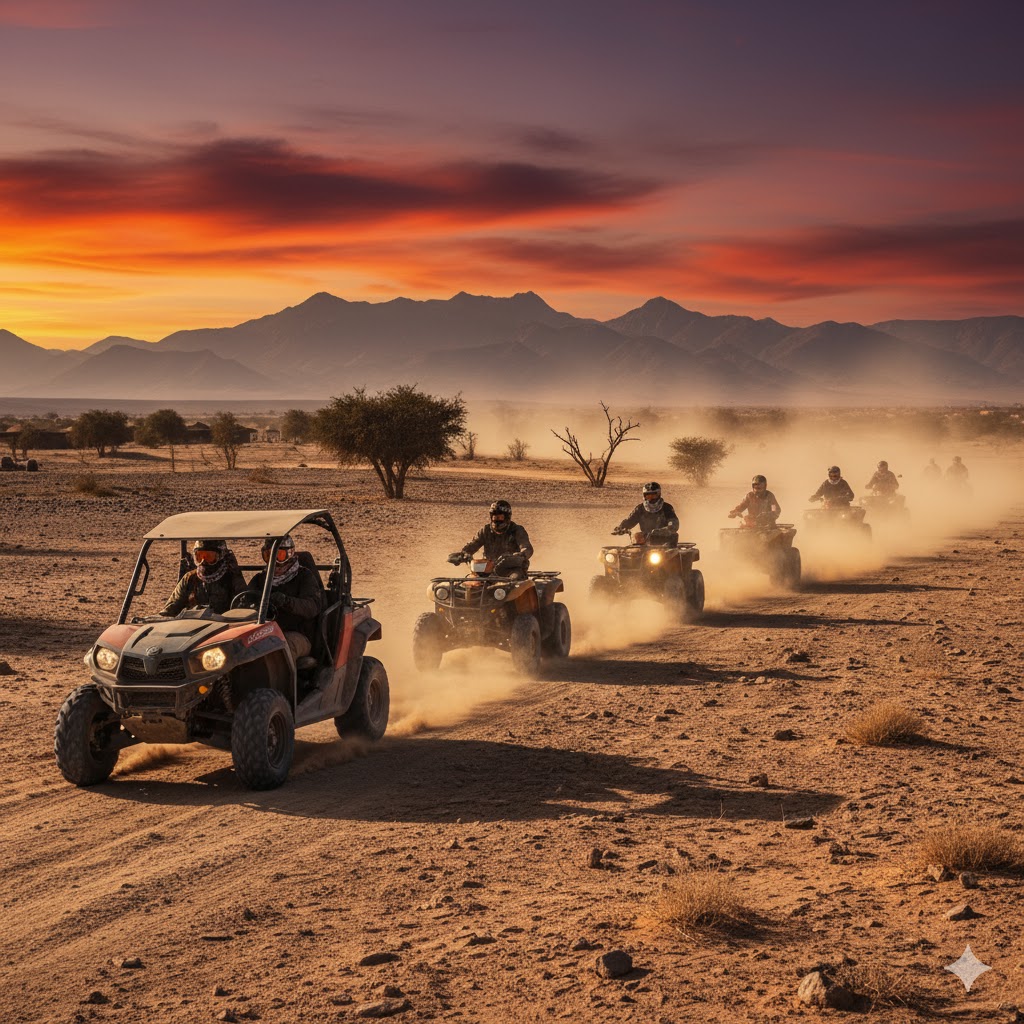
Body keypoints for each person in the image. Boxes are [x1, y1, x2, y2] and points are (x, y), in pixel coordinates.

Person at [243, 535, 322, 661]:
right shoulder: (260, 579)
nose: (274, 561)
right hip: (263, 633)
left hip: (296, 634)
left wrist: (287, 601)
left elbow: (312, 607)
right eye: (269, 556)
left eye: (278, 555)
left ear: (290, 554)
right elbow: (245, 599)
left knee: (280, 650)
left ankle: (285, 681)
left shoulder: (304, 576)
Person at [160, 539, 246, 617]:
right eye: (199, 557)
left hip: (225, 628)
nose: (203, 561)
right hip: (192, 627)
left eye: (209, 557)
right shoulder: (190, 578)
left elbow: (243, 609)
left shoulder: (231, 577)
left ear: (220, 556)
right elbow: (171, 608)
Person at [449, 499, 534, 577]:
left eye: (500, 517)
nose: (496, 520)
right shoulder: (485, 530)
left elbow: (527, 547)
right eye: (494, 517)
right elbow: (474, 544)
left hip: (511, 568)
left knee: (514, 579)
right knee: (471, 581)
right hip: (487, 568)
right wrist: (463, 554)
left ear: (507, 517)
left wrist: (521, 554)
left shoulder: (517, 530)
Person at [612, 482, 680, 545]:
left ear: (659, 494)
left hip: (666, 542)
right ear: (644, 496)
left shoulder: (666, 508)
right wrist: (622, 527)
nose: (650, 499)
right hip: (644, 542)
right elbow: (630, 521)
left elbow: (674, 522)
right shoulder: (640, 508)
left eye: (653, 496)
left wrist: (667, 529)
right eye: (648, 496)